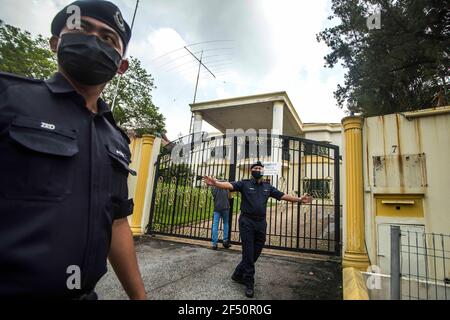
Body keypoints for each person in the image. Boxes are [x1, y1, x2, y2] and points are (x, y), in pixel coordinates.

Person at [0, 0, 146, 299]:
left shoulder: (117, 140)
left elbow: (117, 223)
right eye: (81, 28)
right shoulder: (8, 99)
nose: (93, 40)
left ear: (121, 66)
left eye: (107, 38)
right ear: (56, 42)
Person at [203, 161, 312, 298]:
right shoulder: (244, 184)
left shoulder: (268, 187)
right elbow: (229, 185)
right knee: (248, 253)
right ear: (251, 170)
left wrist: (299, 199)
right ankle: (249, 282)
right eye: (255, 168)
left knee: (256, 252)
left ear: (263, 171)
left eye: (260, 168)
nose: (258, 169)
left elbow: (283, 195)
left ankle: (237, 274)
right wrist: (216, 183)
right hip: (246, 222)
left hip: (261, 223)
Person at [210, 176, 232, 250]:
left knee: (215, 225)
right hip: (225, 207)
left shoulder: (212, 187)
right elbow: (229, 196)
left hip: (217, 208)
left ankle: (214, 244)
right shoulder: (225, 185)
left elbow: (214, 196)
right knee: (225, 223)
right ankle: (225, 241)